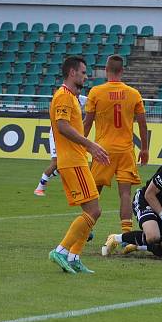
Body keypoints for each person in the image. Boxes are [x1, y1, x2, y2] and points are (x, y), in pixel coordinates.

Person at [48, 56, 110, 274]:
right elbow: (62, 126)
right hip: (73, 161)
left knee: (92, 211)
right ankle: (61, 250)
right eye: (83, 72)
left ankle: (74, 257)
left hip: (75, 160)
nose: (86, 75)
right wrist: (90, 145)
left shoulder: (71, 97)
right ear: (72, 72)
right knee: (94, 210)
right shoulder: (64, 96)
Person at [82, 55, 149, 234]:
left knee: (93, 191)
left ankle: (86, 228)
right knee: (125, 194)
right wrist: (144, 148)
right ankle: (126, 234)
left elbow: (87, 123)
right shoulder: (134, 94)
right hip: (126, 150)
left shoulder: (96, 92)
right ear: (122, 71)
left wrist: (80, 144)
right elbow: (143, 123)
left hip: (102, 149)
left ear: (106, 70)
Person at [33, 92, 88, 196]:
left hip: (71, 134)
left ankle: (77, 188)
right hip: (57, 134)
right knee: (56, 162)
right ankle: (40, 188)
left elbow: (94, 105)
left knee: (70, 160)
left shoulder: (81, 99)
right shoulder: (63, 98)